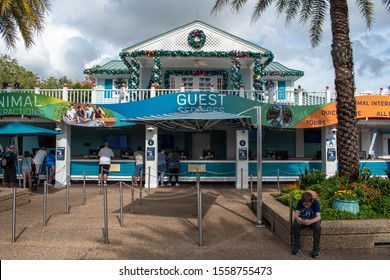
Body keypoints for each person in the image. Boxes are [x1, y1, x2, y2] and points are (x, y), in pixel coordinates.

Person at [292, 191, 321, 258]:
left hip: (313, 219)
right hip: (303, 219)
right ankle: (297, 245)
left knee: (317, 226)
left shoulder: (315, 202)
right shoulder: (300, 202)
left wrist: (310, 221)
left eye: (308, 204)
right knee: (295, 224)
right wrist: (299, 219)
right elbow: (296, 215)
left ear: (312, 201)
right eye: (304, 204)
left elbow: (318, 217)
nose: (306, 206)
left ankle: (316, 248)